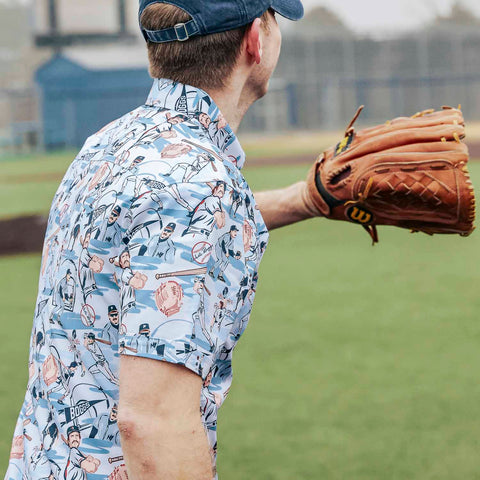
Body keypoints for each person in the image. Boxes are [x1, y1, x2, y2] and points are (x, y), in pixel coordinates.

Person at [5, 1, 327, 479]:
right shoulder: (199, 187)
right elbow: (152, 423)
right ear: (256, 40)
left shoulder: (110, 144)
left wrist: (306, 199)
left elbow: (158, 241)